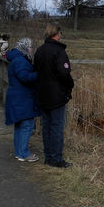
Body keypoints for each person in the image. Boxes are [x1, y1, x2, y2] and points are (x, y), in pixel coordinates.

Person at [33, 24, 74, 168]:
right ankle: (56, 158)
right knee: (56, 127)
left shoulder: (40, 50)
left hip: (42, 93)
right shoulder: (59, 51)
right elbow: (64, 73)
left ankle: (48, 156)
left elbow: (36, 70)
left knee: (47, 126)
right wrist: (70, 85)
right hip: (56, 95)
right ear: (57, 34)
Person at [5, 38, 40, 162]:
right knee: (26, 125)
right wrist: (40, 74)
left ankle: (19, 152)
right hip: (22, 98)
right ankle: (24, 153)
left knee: (20, 125)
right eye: (30, 47)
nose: (31, 49)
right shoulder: (20, 61)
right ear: (24, 48)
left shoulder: (17, 59)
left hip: (17, 97)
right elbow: (24, 77)